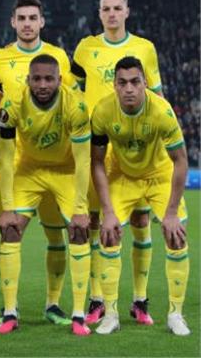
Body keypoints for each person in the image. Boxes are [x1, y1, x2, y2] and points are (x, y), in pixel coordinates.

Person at [0, 0, 79, 325]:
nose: (28, 23)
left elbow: (73, 99)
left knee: (58, 237)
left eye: (33, 18)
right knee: (10, 229)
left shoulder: (58, 57)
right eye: (22, 18)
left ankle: (53, 305)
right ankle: (10, 309)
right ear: (13, 22)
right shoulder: (0, 59)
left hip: (61, 162)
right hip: (20, 163)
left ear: (42, 22)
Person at [71, 0, 163, 325]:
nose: (111, 14)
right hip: (97, 146)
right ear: (99, 13)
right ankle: (97, 299)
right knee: (96, 222)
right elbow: (72, 88)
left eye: (117, 8)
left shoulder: (144, 48)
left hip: (133, 149)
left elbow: (157, 98)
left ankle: (140, 299)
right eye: (106, 8)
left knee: (140, 221)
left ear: (127, 11)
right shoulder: (85, 48)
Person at [90, 56, 190, 336]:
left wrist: (171, 213)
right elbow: (96, 162)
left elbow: (181, 160)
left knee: (176, 237)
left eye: (135, 82)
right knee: (108, 235)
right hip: (123, 176)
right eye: (122, 83)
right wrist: (108, 212)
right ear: (114, 85)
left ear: (145, 83)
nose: (129, 89)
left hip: (159, 175)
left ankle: (175, 314)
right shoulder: (103, 111)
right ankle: (111, 315)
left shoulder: (162, 111)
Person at [0, 54, 92, 336]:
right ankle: (10, 312)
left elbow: (83, 161)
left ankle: (77, 315)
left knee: (79, 231)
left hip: (66, 171)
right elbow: (5, 158)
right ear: (28, 79)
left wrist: (80, 208)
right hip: (29, 170)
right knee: (10, 229)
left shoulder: (76, 106)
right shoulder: (11, 104)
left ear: (60, 80)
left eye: (49, 79)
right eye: (36, 78)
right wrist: (6, 207)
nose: (42, 84)